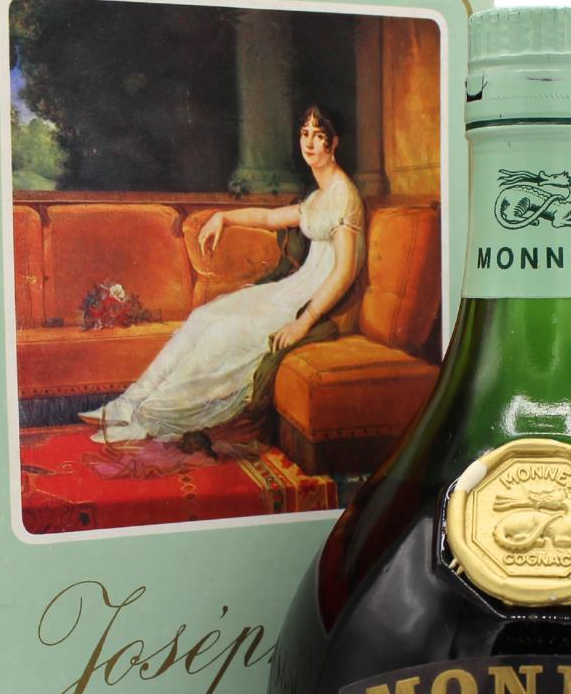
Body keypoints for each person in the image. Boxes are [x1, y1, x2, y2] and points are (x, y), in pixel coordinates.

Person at [79, 105, 365, 443]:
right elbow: (270, 218)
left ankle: (152, 418)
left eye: (319, 135)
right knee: (203, 317)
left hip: (316, 303)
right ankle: (128, 404)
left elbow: (345, 271)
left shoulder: (344, 196)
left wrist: (304, 322)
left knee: (223, 332)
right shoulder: (318, 196)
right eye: (305, 134)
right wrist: (224, 218)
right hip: (292, 291)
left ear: (334, 142)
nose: (310, 143)